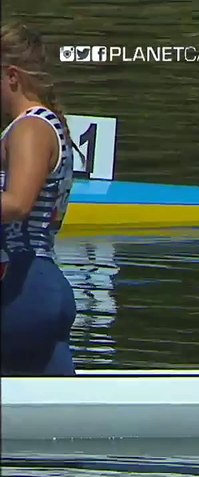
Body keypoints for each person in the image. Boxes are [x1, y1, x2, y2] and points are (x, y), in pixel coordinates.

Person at [1, 21, 77, 376]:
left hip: (22, 287)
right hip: (41, 288)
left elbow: (17, 203)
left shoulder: (30, 128)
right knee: (65, 419)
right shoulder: (50, 123)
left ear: (12, 76)